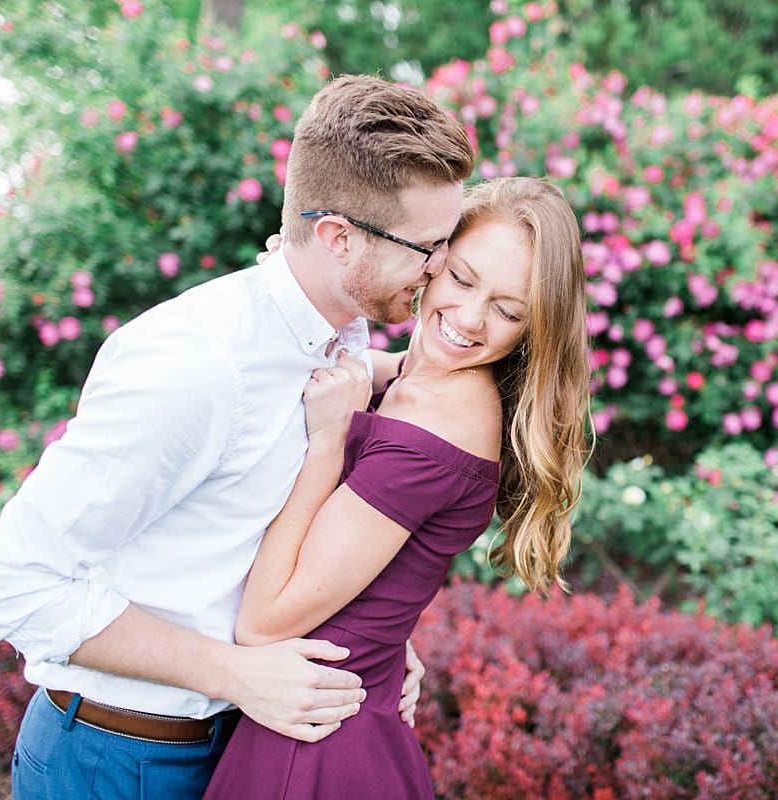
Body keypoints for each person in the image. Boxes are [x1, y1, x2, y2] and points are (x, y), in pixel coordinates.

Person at [0, 73, 474, 799]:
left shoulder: (340, 341)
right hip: (117, 759)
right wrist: (235, 674)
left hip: (240, 745)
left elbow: (264, 529)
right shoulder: (197, 365)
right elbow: (9, 586)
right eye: (429, 246)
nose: (440, 269)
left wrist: (379, 645)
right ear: (339, 239)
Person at [203, 176, 592, 799]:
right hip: (325, 713)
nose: (469, 319)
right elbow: (369, 368)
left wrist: (328, 444)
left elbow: (265, 623)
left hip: (312, 750)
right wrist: (299, 278)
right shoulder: (419, 379)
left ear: (534, 326)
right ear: (430, 260)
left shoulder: (436, 431)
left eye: (508, 310)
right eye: (462, 279)